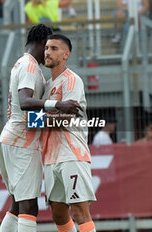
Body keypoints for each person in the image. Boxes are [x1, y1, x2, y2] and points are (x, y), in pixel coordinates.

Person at [0, 24, 82, 232]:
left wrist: (54, 119)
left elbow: (28, 112)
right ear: (43, 42)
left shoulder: (23, 63)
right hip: (21, 141)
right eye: (49, 47)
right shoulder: (29, 66)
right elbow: (25, 101)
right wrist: (58, 105)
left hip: (13, 138)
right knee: (28, 206)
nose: (49, 53)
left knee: (17, 205)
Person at [41, 34, 97, 232]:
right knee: (58, 214)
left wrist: (35, 120)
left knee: (80, 212)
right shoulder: (46, 86)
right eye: (47, 48)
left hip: (72, 153)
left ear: (66, 54)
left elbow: (67, 120)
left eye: (54, 48)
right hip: (50, 157)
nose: (48, 52)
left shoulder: (72, 81)